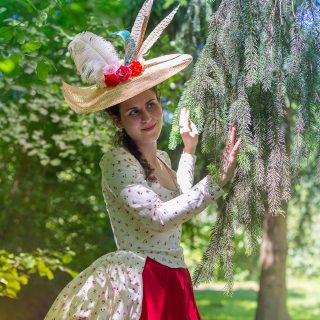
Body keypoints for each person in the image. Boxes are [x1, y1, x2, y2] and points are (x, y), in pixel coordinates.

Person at [44, 1, 240, 319]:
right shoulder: (117, 162)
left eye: (151, 104)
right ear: (118, 121)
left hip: (174, 276)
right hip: (141, 280)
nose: (147, 117)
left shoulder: (161, 157)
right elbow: (159, 216)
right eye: (133, 112)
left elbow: (181, 202)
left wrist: (188, 151)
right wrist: (218, 178)